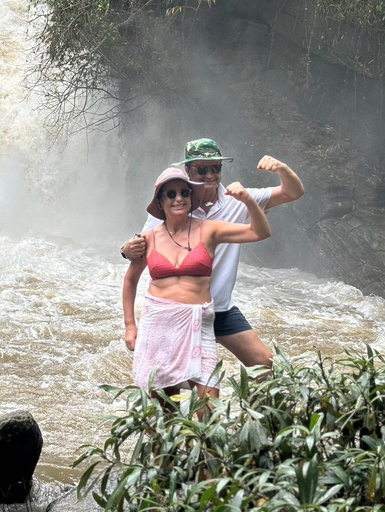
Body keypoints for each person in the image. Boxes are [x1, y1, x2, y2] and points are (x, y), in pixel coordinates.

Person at [121, 138, 304, 370]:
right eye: (202, 169)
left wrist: (281, 169)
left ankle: (248, 407)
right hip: (178, 313)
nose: (210, 175)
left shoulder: (237, 199)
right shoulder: (175, 202)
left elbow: (293, 193)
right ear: (187, 170)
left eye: (215, 168)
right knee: (169, 383)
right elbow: (142, 247)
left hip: (220, 309)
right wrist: (126, 250)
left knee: (264, 364)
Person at [123, 167, 271, 399]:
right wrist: (130, 326)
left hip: (198, 323)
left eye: (184, 193)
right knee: (162, 410)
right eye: (171, 194)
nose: (179, 198)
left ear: (192, 199)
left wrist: (248, 201)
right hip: (159, 328)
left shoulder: (209, 229)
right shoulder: (149, 238)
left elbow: (259, 232)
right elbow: (131, 280)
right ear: (160, 203)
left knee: (209, 409)